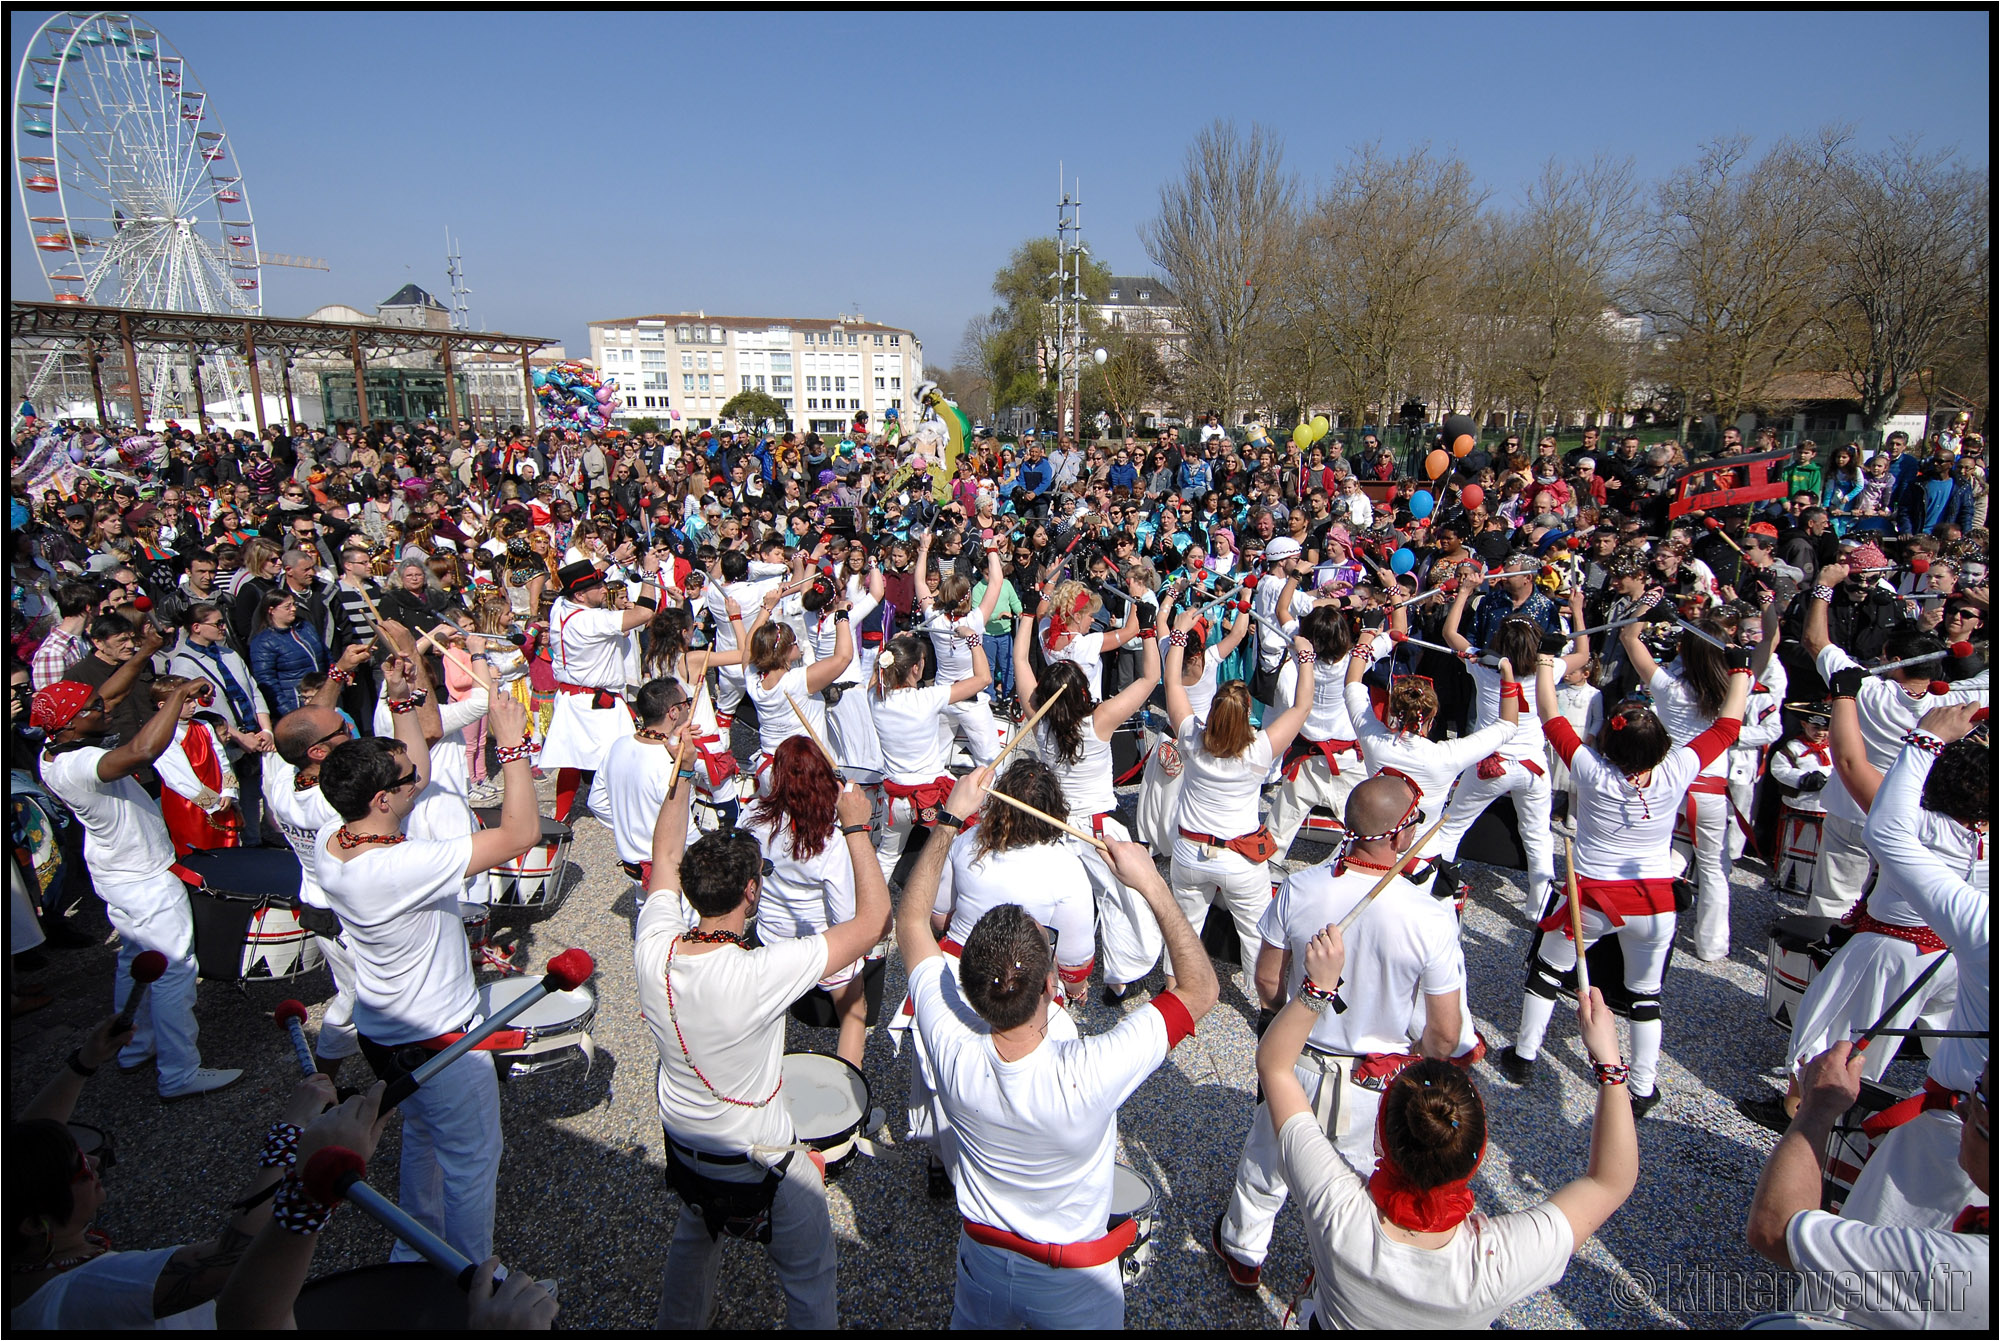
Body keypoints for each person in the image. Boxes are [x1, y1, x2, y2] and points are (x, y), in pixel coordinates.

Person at [896, 765, 1218, 1330]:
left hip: (982, 1272)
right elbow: (1199, 989)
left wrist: (949, 820)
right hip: (1076, 1287)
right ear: (1050, 986)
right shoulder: (1090, 1071)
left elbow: (913, 922)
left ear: (964, 986)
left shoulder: (948, 1043)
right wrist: (1150, 882)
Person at [1256, 930, 1637, 1329]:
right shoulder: (1494, 1264)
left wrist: (1317, 988)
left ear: (1380, 1137)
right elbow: (1612, 1181)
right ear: (1476, 1154)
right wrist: (1609, 1064)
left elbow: (1275, 1066)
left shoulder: (1338, 1208)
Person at [636, 759, 889, 1330]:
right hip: (759, 1164)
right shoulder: (760, 973)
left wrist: (677, 777)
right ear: (752, 892)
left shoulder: (652, 944)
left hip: (684, 1147)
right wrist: (856, 828)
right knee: (811, 1280)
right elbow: (874, 922)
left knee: (692, 1247)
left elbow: (665, 855)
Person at [313, 663, 540, 1265]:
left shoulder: (338, 838)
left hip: (383, 1032)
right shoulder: (400, 867)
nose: (423, 778)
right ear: (384, 798)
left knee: (421, 1138)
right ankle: (469, 1284)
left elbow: (412, 763)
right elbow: (520, 832)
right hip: (439, 1037)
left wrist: (403, 699)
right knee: (472, 1163)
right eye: (411, 780)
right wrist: (513, 743)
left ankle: (412, 1254)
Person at [1213, 773, 1475, 1286]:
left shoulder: (1301, 886)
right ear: (1400, 835)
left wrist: (1293, 1013)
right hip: (1374, 1082)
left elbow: (1266, 981)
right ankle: (1338, 1274)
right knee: (1359, 1183)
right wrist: (1406, 1050)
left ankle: (1243, 1253)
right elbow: (1445, 1036)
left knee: (1268, 1160)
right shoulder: (1431, 915)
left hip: (1297, 1061)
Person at [1498, 645, 1753, 1114]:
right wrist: (1740, 668)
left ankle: (1524, 1055)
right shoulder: (1677, 769)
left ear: (1611, 744)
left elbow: (1551, 717)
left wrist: (1550, 666)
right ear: (1662, 744)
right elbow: (1728, 726)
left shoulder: (1592, 771)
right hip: (1655, 903)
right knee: (1645, 996)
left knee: (1549, 972)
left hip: (1593, 898)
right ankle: (1641, 1087)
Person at [7, 1020, 343, 1328]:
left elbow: (27, 1147)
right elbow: (234, 1259)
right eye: (78, 1167)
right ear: (34, 1223)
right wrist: (291, 1132)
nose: (94, 1164)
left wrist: (83, 1063)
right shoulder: (89, 1290)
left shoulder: (27, 1254)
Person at [33, 676, 242, 1099]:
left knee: (134, 958)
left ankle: (135, 1046)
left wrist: (144, 650)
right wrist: (180, 696)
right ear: (71, 722)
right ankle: (180, 1071)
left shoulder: (54, 749)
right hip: (144, 876)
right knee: (174, 968)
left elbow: (103, 695)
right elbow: (145, 751)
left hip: (116, 871)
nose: (105, 708)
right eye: (94, 708)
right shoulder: (78, 764)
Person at [1833, 705, 1990, 1232]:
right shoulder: (1978, 852)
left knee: (1865, 1280)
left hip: (1957, 1136)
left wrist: (1925, 741)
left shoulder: (1984, 923)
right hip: (1937, 963)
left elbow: (1888, 829)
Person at [1745, 1047, 1988, 1330]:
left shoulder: (1955, 1266)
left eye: (1980, 1098)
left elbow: (1775, 1229)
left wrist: (1819, 1106)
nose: (1961, 1106)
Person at [1800, 566, 1986, 920]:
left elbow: (1815, 642)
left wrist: (1824, 587)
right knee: (1895, 902)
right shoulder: (1951, 706)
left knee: (1834, 897)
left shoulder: (1866, 689)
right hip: (1912, 817)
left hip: (1853, 808)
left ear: (1894, 661)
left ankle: (1819, 962)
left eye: (1884, 658)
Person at [1013, 601, 1164, 1001]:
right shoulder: (1100, 720)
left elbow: (1020, 661)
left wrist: (1028, 616)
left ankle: (1055, 980)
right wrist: (1148, 631)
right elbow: (1150, 678)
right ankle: (1118, 977)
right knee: (1118, 900)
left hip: (1052, 828)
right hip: (1098, 828)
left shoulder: (1039, 718)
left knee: (1056, 903)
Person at [1616, 598, 1780, 960]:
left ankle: (1649, 929)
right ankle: (1712, 946)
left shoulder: (1668, 688)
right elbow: (1771, 641)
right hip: (1710, 791)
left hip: (1669, 786)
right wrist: (1768, 606)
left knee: (1661, 858)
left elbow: (1629, 637)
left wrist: (1646, 606)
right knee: (1713, 867)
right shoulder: (1736, 688)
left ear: (1684, 651)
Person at [1161, 628, 1310, 990]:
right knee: (1257, 934)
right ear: (1246, 716)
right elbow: (1302, 707)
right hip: (1241, 860)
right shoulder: (1259, 750)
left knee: (1182, 925)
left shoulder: (1191, 739)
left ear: (1212, 710)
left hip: (1190, 852)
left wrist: (1178, 637)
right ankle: (1266, 1004)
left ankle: (1172, 991)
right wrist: (1304, 658)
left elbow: (1173, 685)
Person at [740, 737, 875, 1066]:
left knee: (766, 1018)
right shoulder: (831, 839)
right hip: (819, 946)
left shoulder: (753, 816)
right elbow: (845, 915)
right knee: (855, 1015)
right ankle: (850, 1108)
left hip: (768, 939)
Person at [542, 554, 663, 823]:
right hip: (596, 702)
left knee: (571, 758)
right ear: (581, 596)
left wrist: (613, 558)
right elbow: (644, 613)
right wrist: (649, 575)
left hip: (571, 696)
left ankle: (561, 815)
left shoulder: (560, 606)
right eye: (597, 587)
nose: (604, 589)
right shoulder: (591, 621)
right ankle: (623, 810)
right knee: (619, 756)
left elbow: (580, 578)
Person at [867, 631, 992, 883]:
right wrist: (973, 641)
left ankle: (872, 910)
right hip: (930, 799)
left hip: (896, 799)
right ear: (915, 669)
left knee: (887, 855)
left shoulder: (875, 698)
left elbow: (875, 681)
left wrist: (893, 643)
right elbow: (983, 678)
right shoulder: (927, 698)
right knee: (953, 848)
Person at [590, 675, 697, 899]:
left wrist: (628, 825)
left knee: (645, 915)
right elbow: (686, 831)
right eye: (686, 702)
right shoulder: (671, 764)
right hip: (666, 866)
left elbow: (596, 802)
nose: (689, 707)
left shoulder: (617, 746)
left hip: (632, 863)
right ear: (673, 713)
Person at [916, 531, 1006, 766]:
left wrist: (924, 549)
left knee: (935, 758)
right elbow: (997, 582)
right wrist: (992, 550)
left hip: (943, 695)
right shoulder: (975, 621)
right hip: (969, 698)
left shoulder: (934, 619)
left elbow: (919, 583)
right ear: (967, 598)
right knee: (990, 760)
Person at [148, 675, 242, 856]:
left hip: (221, 800)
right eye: (187, 701)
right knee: (198, 850)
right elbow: (179, 779)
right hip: (188, 805)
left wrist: (229, 791)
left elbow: (223, 761)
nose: (194, 705)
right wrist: (211, 802)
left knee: (226, 848)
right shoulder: (163, 734)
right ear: (163, 705)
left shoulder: (205, 725)